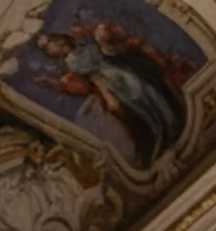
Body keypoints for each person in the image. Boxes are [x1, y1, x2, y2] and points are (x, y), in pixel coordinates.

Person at [30, 25, 189, 169]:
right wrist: (107, 95)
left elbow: (105, 51)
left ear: (58, 40)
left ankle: (170, 119)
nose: (50, 49)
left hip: (119, 71)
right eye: (46, 49)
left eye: (49, 44)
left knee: (145, 90)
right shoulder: (71, 62)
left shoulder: (81, 47)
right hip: (111, 82)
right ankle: (160, 128)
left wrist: (89, 34)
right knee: (138, 101)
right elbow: (92, 78)